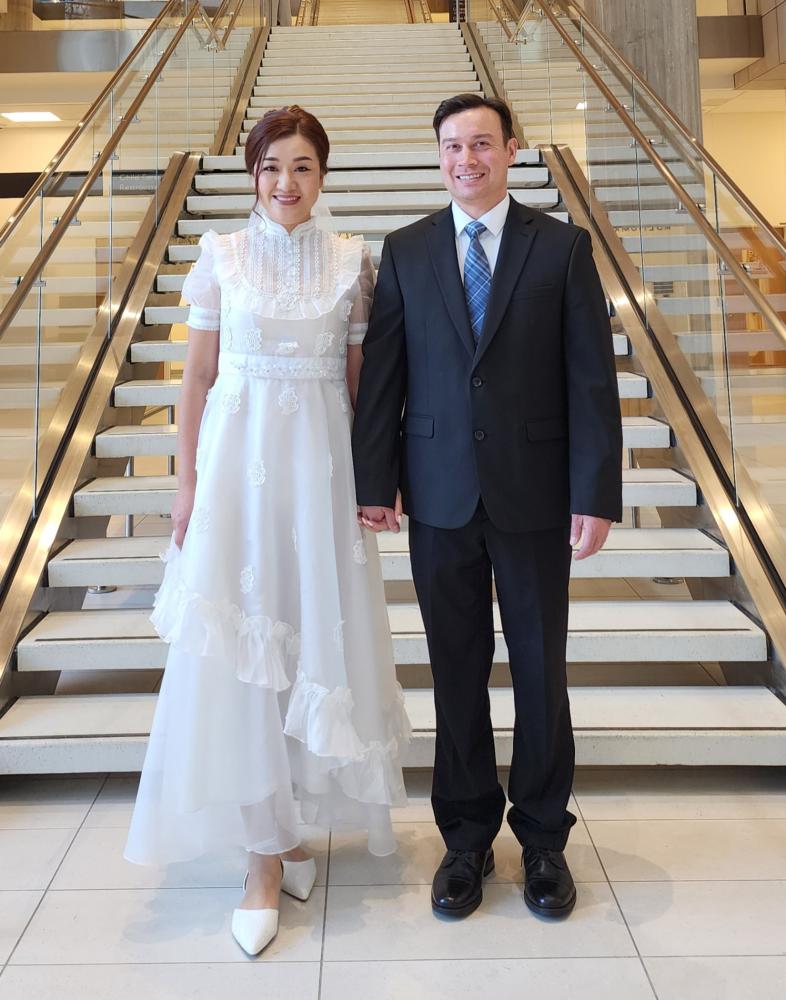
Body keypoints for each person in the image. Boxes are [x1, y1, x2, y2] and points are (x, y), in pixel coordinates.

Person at [125, 106, 410, 956]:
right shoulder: (221, 255)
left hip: (321, 480)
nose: (287, 182)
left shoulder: (353, 259)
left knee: (309, 641)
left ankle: (284, 837)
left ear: (323, 176)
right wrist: (185, 484)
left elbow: (360, 384)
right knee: (247, 655)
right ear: (253, 174)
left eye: (303, 167)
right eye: (272, 167)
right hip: (238, 484)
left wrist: (377, 480)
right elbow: (197, 378)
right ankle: (259, 859)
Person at [352, 93, 622, 920]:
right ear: (438, 156)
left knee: (541, 670)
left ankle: (543, 839)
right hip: (438, 496)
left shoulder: (562, 247)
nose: (464, 159)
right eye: (450, 146)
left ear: (510, 149)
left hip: (536, 494)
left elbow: (591, 379)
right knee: (456, 673)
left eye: (479, 144)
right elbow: (385, 374)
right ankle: (465, 839)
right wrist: (374, 482)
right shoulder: (406, 250)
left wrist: (595, 492)